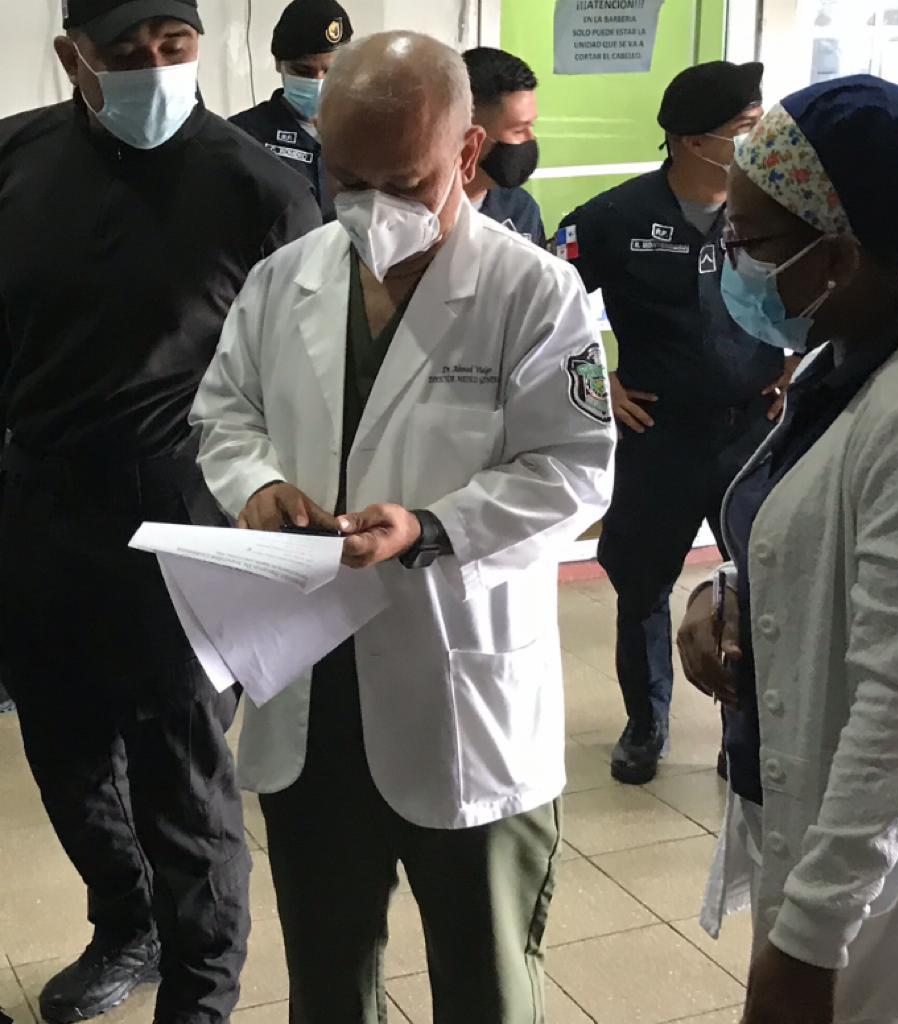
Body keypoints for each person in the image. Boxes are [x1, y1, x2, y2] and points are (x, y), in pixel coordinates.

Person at [191, 30, 615, 1024]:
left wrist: (431, 526)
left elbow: (578, 470)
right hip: (311, 690)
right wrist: (257, 483)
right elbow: (225, 414)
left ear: (469, 153)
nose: (373, 206)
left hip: (460, 688)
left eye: (406, 182)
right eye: (349, 178)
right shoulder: (284, 279)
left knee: (486, 981)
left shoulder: (534, 292)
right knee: (327, 979)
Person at [0, 1, 321, 1022]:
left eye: (172, 45)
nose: (153, 67)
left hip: (179, 507)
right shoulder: (15, 159)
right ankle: (125, 924)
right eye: (124, 51)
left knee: (180, 780)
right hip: (34, 498)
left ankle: (201, 992)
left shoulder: (260, 190)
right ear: (73, 58)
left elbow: (306, 381)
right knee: (63, 753)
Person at [678, 75, 898, 1024]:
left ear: (839, 256)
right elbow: (819, 538)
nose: (731, 260)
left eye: (751, 241)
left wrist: (808, 944)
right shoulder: (849, 357)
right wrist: (722, 597)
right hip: (813, 820)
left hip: (890, 880)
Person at [557, 61, 793, 785]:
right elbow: (541, 308)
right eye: (747, 128)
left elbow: (828, 284)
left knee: (758, 584)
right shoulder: (613, 218)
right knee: (641, 585)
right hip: (658, 435)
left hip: (751, 432)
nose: (761, 139)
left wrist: (799, 361)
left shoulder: (777, 207)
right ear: (694, 141)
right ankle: (645, 723)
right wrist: (596, 381)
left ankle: (741, 732)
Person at [230, 0, 353, 222]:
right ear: (279, 63)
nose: (318, 82)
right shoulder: (243, 137)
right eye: (303, 71)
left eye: (331, 70)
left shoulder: (363, 134)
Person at [462, 46, 546, 246]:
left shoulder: (521, 211)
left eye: (531, 126)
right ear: (471, 136)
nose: (530, 138)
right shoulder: (414, 215)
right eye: (518, 130)